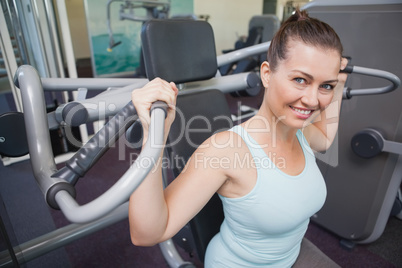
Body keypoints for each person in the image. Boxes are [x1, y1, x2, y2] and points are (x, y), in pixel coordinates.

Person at [129, 9, 348, 267]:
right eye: (300, 80)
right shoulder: (227, 151)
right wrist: (153, 134)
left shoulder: (301, 132)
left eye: (325, 86)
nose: (313, 100)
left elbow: (324, 137)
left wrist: (339, 80)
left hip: (291, 254)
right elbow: (147, 233)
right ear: (266, 74)